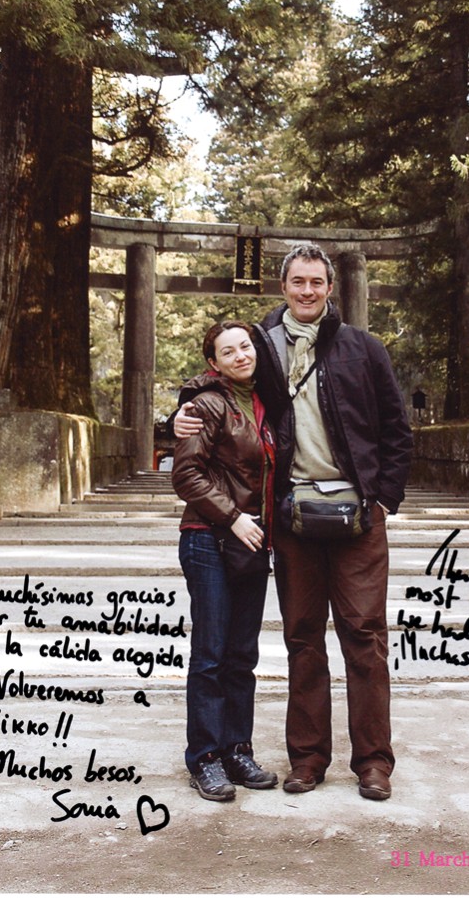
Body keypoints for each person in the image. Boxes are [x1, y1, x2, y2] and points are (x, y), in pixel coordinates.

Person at [174, 244, 413, 801]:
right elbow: (218, 377)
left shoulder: (363, 348)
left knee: (365, 637)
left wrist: (382, 498)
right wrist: (179, 411)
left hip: (358, 515)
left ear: (330, 287)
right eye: (298, 281)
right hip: (291, 515)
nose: (307, 291)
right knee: (303, 638)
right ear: (283, 286)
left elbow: (396, 428)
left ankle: (373, 762)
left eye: (316, 282)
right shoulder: (262, 345)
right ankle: (307, 759)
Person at [171, 320, 278, 802]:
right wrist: (233, 518)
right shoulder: (207, 404)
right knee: (211, 655)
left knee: (242, 656)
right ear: (214, 363)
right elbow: (185, 474)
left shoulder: (268, 402)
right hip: (209, 539)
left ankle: (238, 750)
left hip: (251, 542)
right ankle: (205, 758)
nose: (240, 355)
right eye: (228, 351)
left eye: (245, 346)